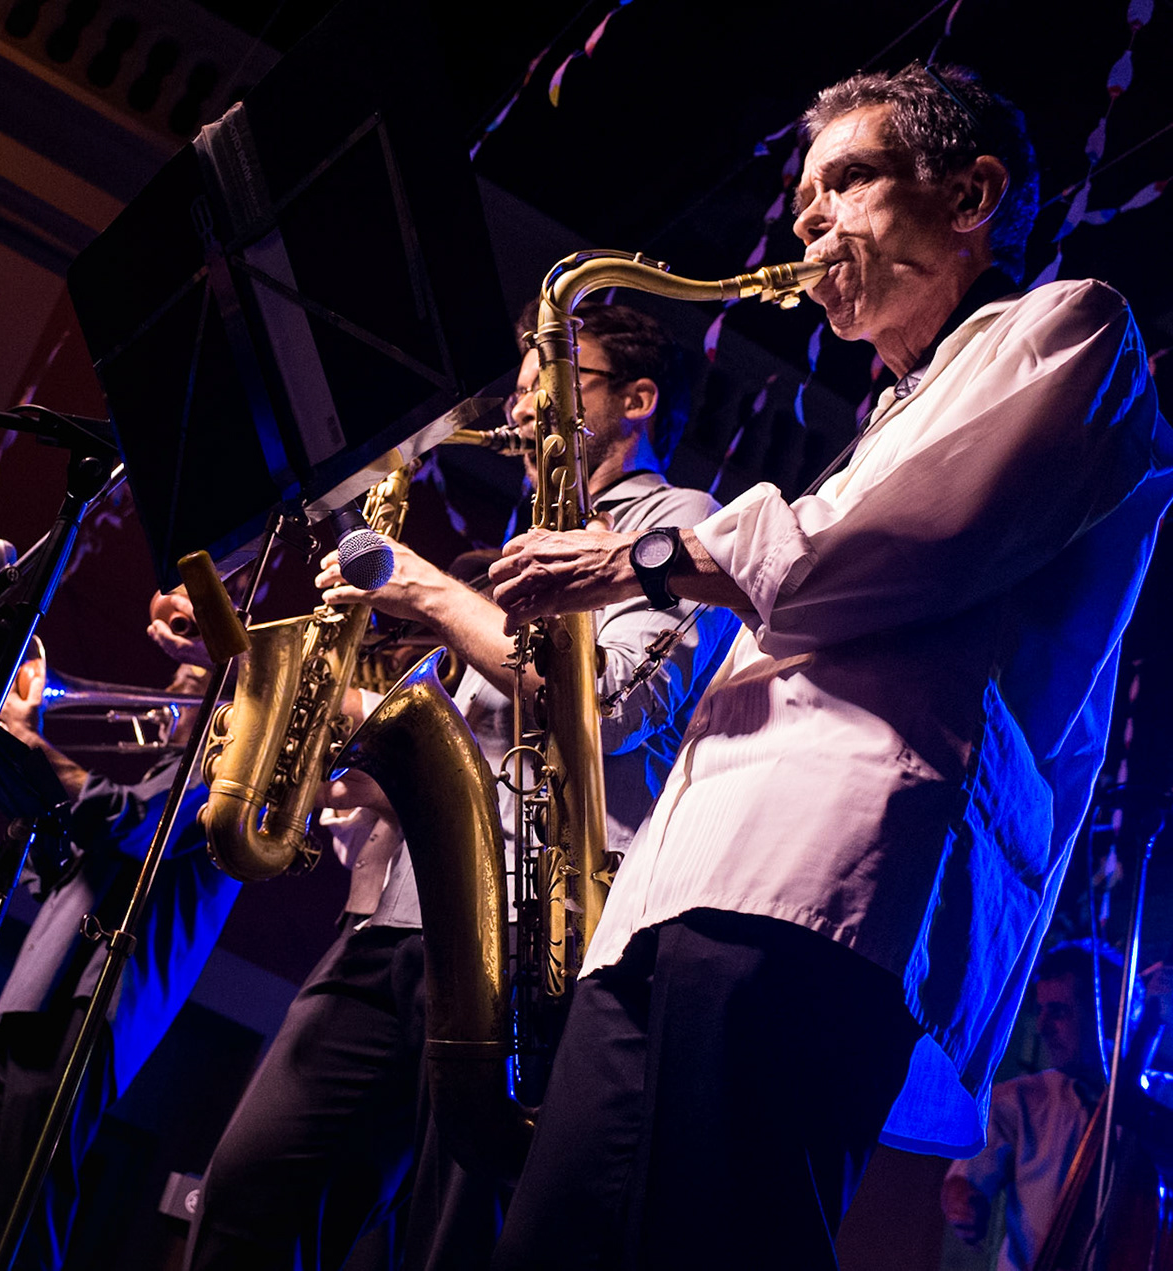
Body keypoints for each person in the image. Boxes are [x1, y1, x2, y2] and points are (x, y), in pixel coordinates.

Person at [483, 63, 1173, 1268]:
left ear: (972, 196)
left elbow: (907, 544)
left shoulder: (1071, 329)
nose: (807, 219)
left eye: (846, 180)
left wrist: (637, 558)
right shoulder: (892, 412)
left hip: (826, 885)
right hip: (680, 885)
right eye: (803, 196)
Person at [183, 302, 738, 1271]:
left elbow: (610, 703)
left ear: (637, 400)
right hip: (403, 918)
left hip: (535, 936)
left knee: (446, 1244)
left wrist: (433, 594)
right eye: (518, 391)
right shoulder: (514, 555)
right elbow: (452, 745)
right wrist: (306, 716)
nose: (519, 411)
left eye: (548, 386)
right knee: (245, 1194)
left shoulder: (683, 523)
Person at [0, 595, 242, 1270]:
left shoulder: (220, 782)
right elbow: (52, 876)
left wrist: (32, 743)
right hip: (33, 995)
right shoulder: (154, 775)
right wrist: (23, 781)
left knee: (26, 1206)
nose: (161, 705)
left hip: (95, 1002)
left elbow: (135, 828)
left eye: (182, 691)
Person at [943, 943, 1121, 1271]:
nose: (1042, 1027)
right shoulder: (1020, 1098)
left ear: (1106, 1015)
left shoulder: (1157, 1099)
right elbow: (964, 1180)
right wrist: (962, 1202)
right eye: (1041, 1010)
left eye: (1059, 1011)